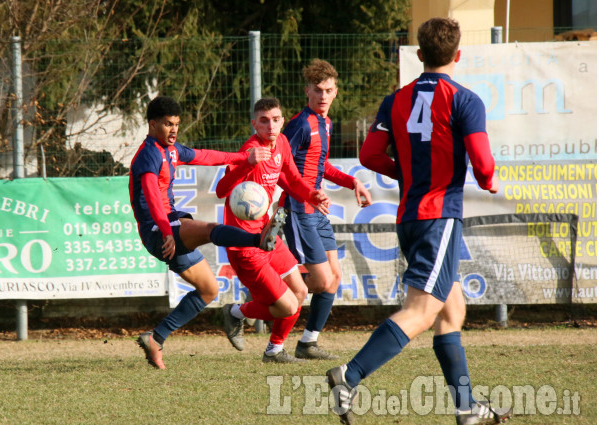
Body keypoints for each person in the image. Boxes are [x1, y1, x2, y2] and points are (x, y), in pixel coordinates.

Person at [327, 18, 510, 425]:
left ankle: (466, 408)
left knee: (451, 309)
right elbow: (482, 164)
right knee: (422, 310)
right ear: (457, 55)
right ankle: (349, 376)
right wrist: (489, 179)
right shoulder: (465, 100)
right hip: (439, 216)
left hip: (410, 216)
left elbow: (370, 156)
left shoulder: (396, 100)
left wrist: (408, 175)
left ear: (420, 55)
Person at [130, 96, 282, 370]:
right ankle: (257, 240)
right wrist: (166, 230)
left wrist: (242, 158)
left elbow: (204, 156)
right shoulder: (148, 154)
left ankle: (156, 338)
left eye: (176, 124)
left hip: (168, 226)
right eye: (167, 124)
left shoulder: (171, 149)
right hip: (158, 229)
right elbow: (152, 196)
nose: (173, 130)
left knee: (208, 290)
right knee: (210, 229)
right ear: (152, 125)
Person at [216, 97, 331, 363]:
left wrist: (312, 195)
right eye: (264, 120)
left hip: (266, 235)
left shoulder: (281, 144)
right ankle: (235, 312)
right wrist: (247, 162)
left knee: (300, 292)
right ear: (254, 123)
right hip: (244, 243)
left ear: (282, 120)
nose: (271, 125)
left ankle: (274, 350)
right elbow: (221, 190)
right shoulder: (250, 150)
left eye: (276, 119)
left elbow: (291, 179)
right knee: (286, 305)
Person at [278, 59, 372, 360]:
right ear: (308, 91)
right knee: (319, 280)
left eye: (328, 90)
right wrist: (307, 193)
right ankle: (264, 292)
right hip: (299, 210)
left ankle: (307, 343)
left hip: (316, 210)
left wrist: (352, 181)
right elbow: (280, 168)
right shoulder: (300, 124)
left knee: (334, 277)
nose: (323, 96)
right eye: (317, 90)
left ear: (335, 92)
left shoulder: (326, 123)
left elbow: (321, 166)